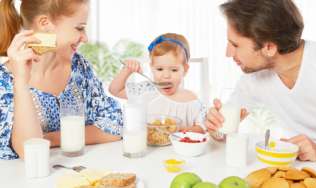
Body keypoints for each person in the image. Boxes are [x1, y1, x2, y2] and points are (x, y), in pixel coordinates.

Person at [205, 0, 316, 165]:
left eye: (235, 45)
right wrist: (216, 125)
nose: (228, 53)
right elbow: (223, 131)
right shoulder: (254, 77)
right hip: (304, 164)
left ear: (268, 47)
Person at [0, 0, 123, 160]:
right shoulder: (5, 82)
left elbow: (115, 125)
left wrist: (52, 138)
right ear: (45, 23)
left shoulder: (79, 66)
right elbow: (28, 150)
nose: (85, 38)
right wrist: (21, 82)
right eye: (79, 28)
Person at [109, 33, 206, 133]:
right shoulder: (145, 90)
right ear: (152, 68)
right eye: (159, 69)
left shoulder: (191, 100)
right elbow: (115, 90)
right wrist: (127, 70)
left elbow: (202, 128)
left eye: (174, 70)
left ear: (185, 70)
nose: (166, 75)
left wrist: (178, 131)